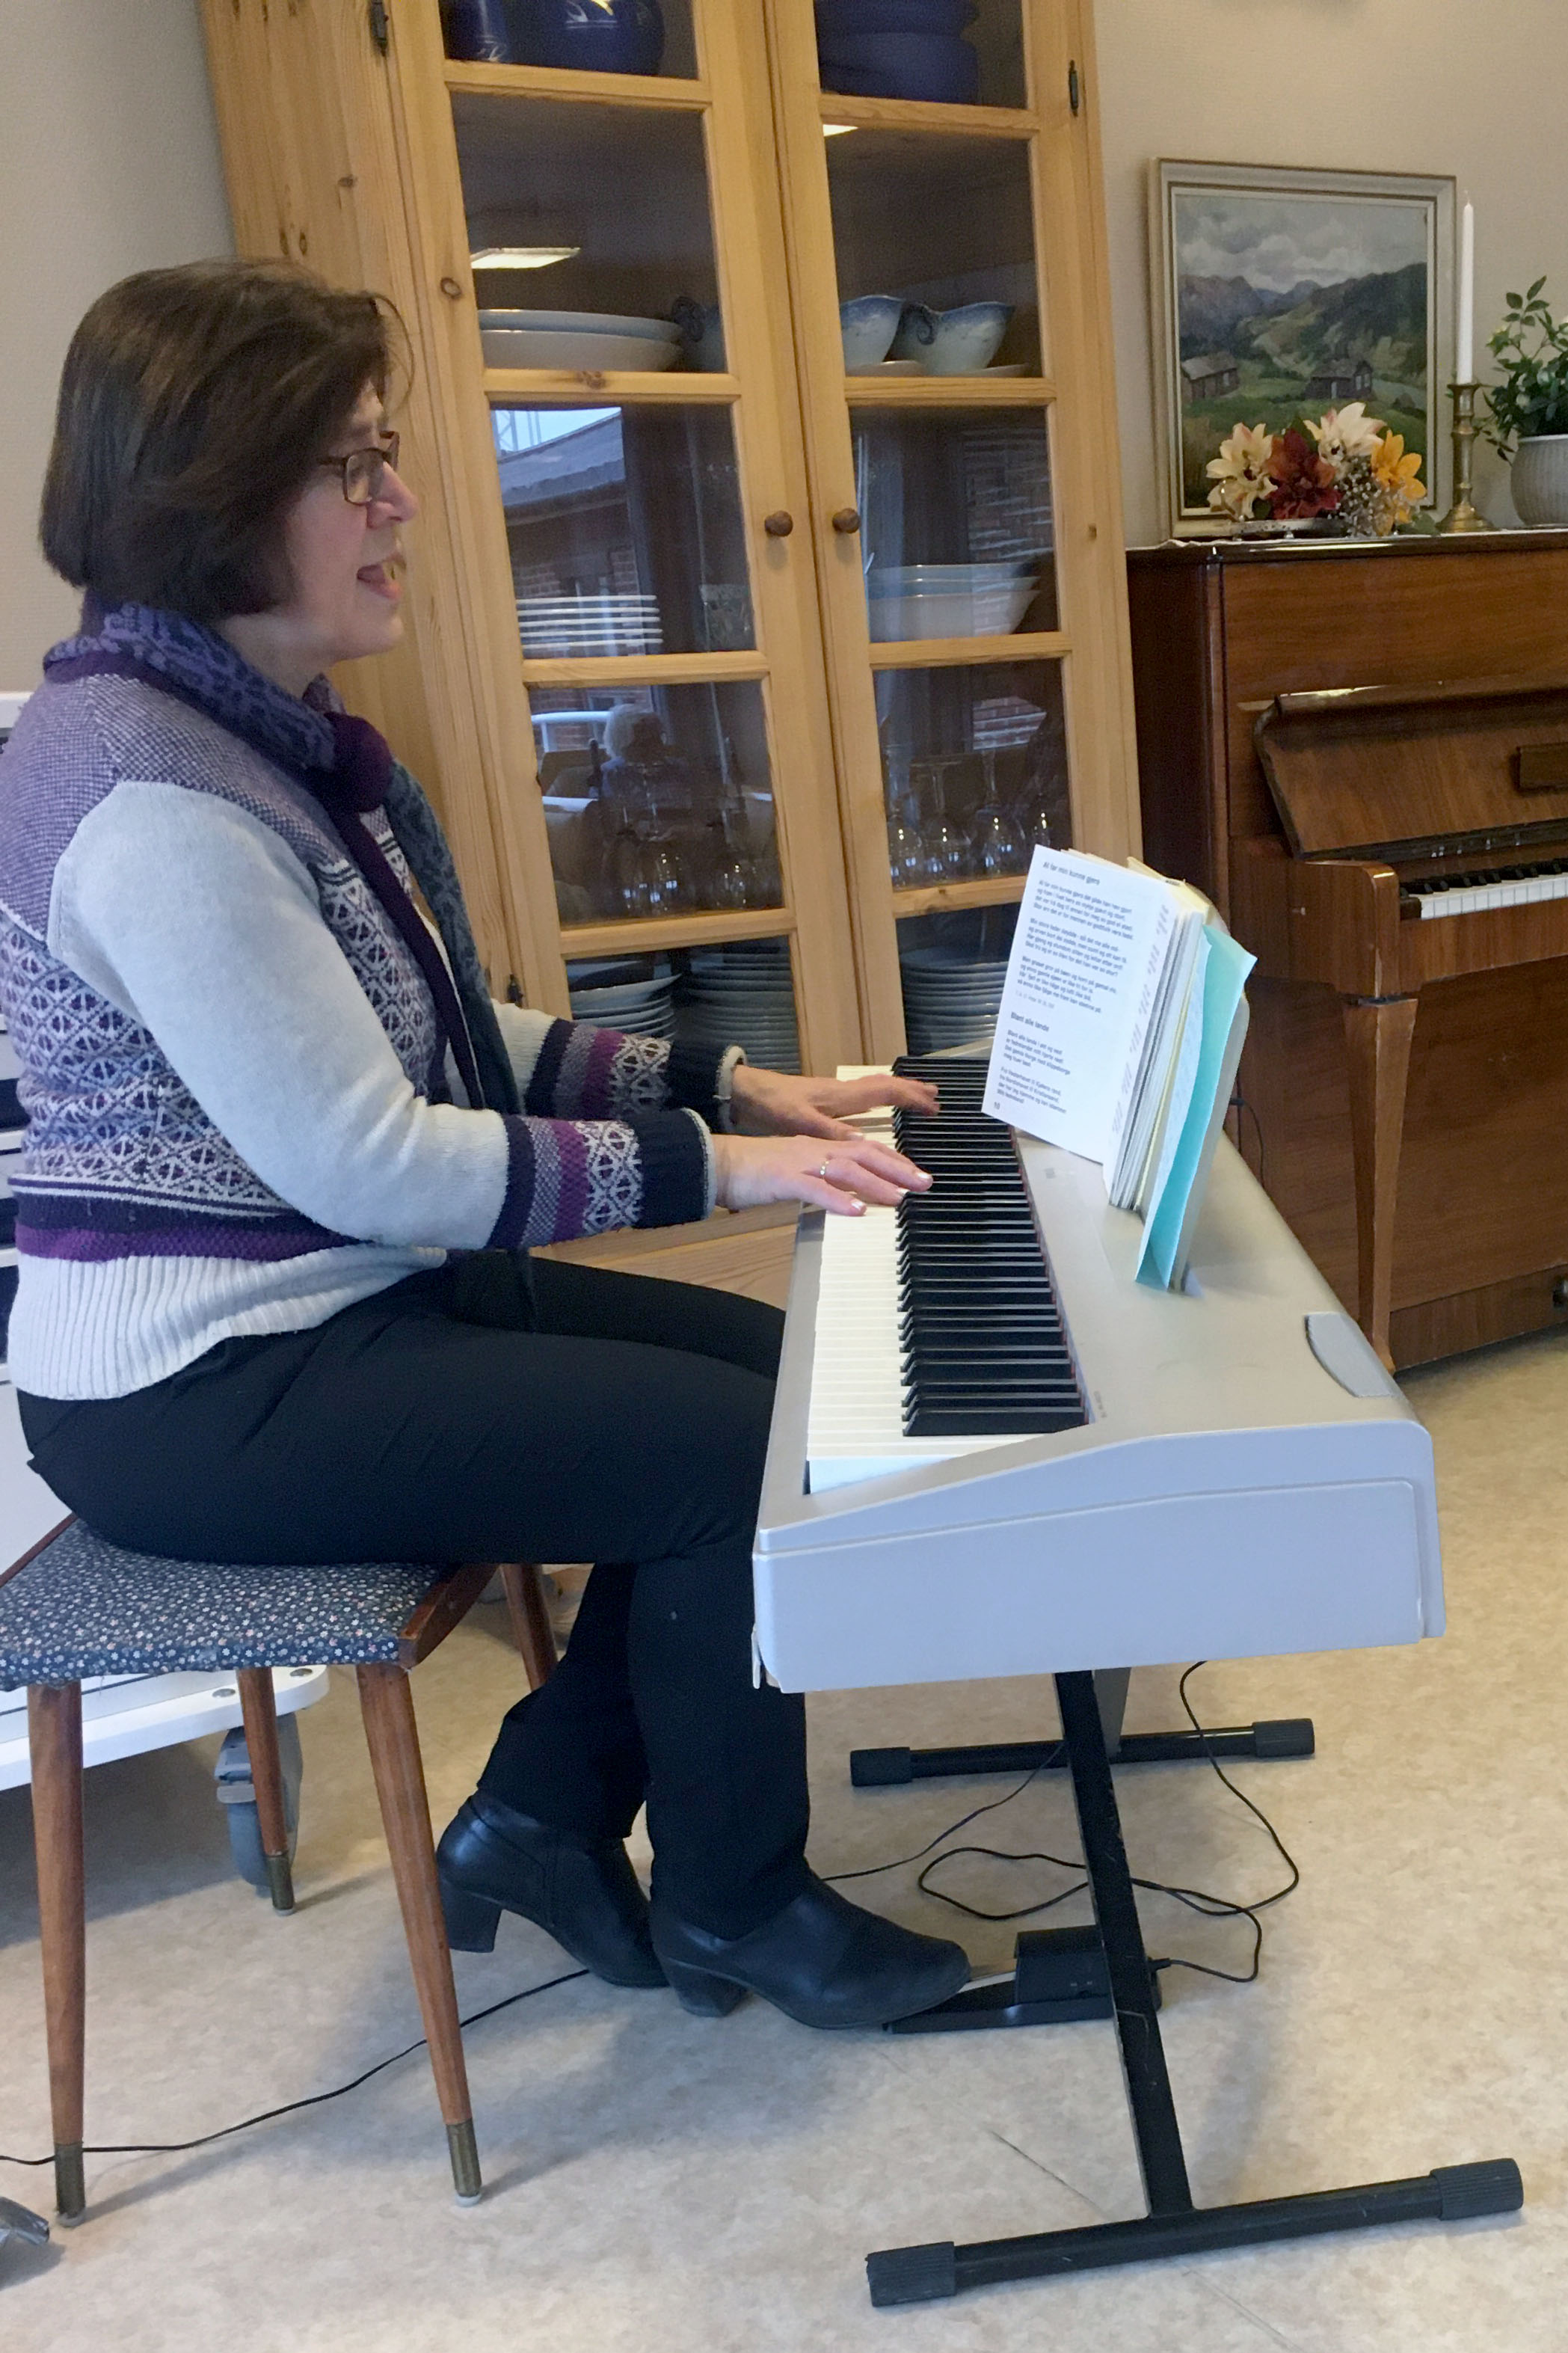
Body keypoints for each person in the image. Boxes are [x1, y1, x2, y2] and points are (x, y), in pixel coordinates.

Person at [0, 258, 969, 2029]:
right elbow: (369, 1154)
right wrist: (716, 1174)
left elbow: (442, 1031)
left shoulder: (247, 741)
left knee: (777, 1395)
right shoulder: (150, 795)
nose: (401, 504)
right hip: (196, 1389)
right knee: (723, 1460)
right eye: (352, 465)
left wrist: (730, 1087)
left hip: (332, 1307)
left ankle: (537, 1817)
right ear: (216, 494)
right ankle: (737, 1903)